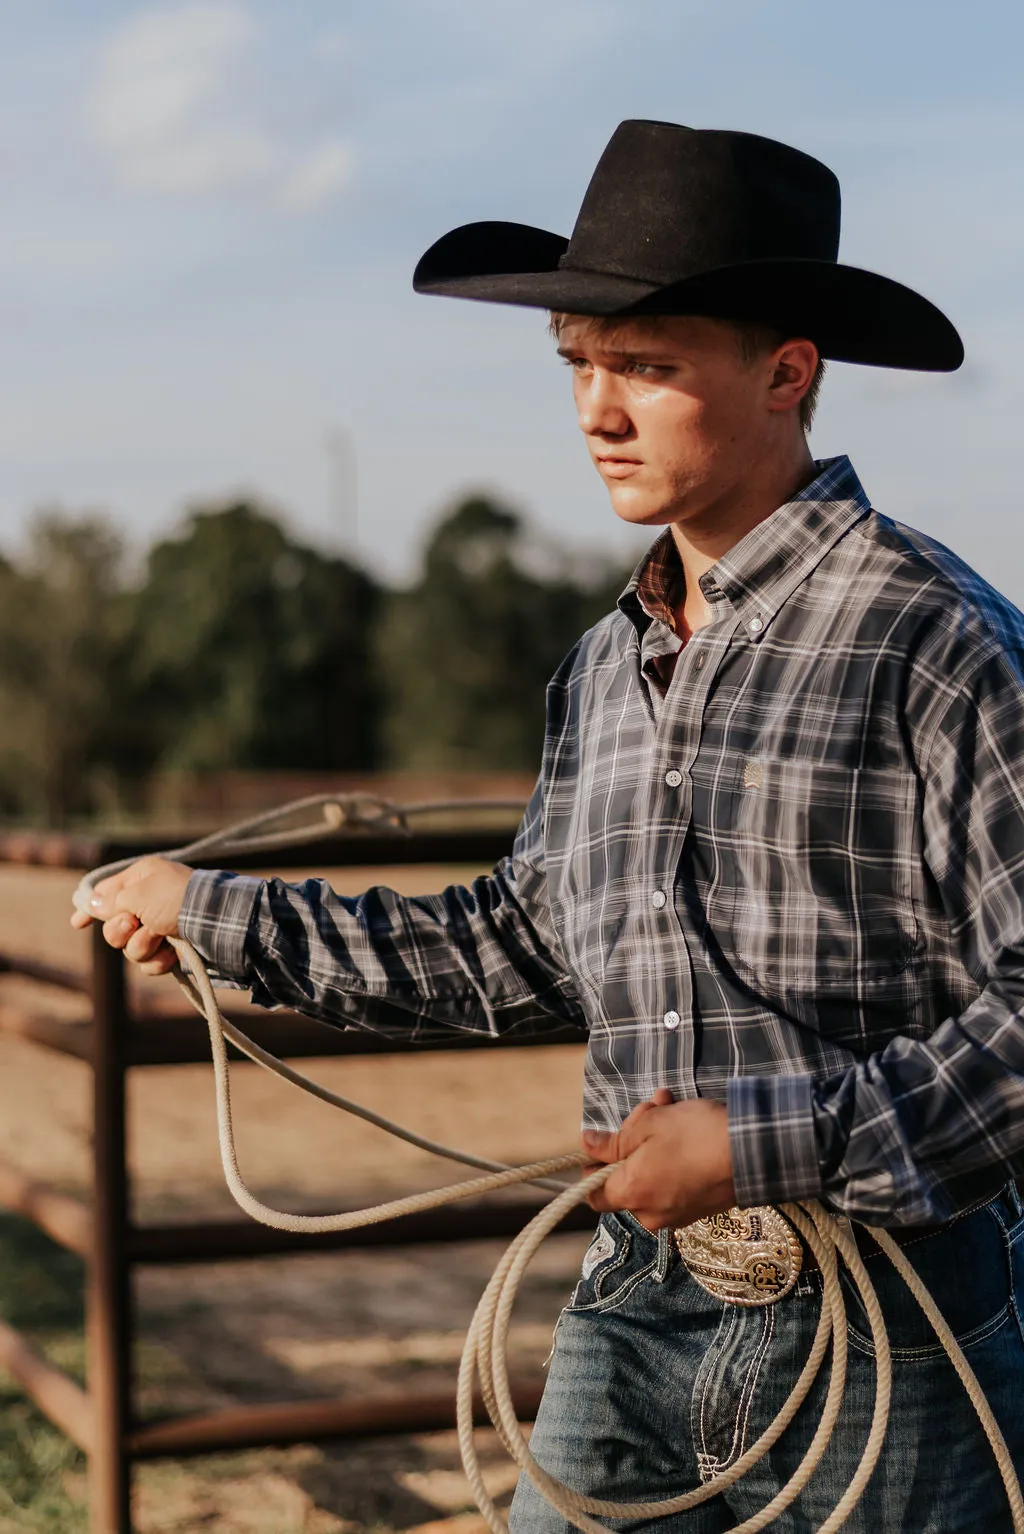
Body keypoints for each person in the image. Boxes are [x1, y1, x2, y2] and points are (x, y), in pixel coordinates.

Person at [73, 122, 1024, 1531]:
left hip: (902, 1319)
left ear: (786, 371)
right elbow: (522, 945)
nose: (596, 407)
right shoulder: (603, 663)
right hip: (637, 1297)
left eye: (646, 364)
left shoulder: (940, 642)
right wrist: (223, 914)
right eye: (578, 362)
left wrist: (767, 1142)